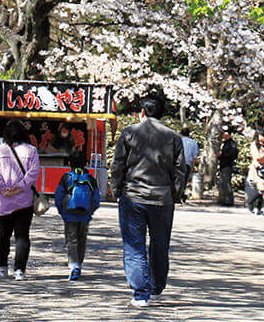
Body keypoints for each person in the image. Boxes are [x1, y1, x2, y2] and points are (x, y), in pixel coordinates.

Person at [110, 96, 185, 308]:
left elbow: (118, 165)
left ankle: (140, 293)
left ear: (142, 112)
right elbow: (180, 171)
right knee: (160, 245)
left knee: (134, 246)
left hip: (133, 196)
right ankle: (156, 287)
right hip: (162, 198)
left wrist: (116, 190)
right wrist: (175, 195)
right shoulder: (173, 137)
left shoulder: (130, 133)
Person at [0, 120, 40, 281]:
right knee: (22, 236)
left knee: (3, 235)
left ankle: (2, 267)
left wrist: (4, 189)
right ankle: (19, 270)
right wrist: (20, 187)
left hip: (2, 202)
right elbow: (34, 172)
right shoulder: (31, 150)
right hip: (24, 201)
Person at [53, 149, 102, 281]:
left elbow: (58, 196)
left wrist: (61, 210)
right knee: (82, 240)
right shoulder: (90, 179)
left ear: (69, 163)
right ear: (86, 163)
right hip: (85, 215)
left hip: (69, 215)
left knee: (71, 240)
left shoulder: (66, 177)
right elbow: (96, 198)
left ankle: (74, 266)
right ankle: (78, 264)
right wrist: (91, 210)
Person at [245, 132, 264, 215]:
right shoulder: (254, 145)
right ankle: (250, 203)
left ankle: (259, 208)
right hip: (257, 169)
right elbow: (257, 158)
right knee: (260, 188)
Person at [217, 130, 239, 206]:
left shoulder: (231, 144)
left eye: (225, 135)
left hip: (228, 165)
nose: (224, 136)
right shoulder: (225, 143)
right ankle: (223, 199)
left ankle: (229, 201)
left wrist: (221, 156)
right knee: (222, 182)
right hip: (223, 165)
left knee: (227, 183)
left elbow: (232, 154)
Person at [179, 128, 199, 202]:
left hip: (178, 163)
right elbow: (194, 156)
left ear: (181, 134)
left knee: (177, 179)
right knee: (184, 180)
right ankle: (181, 194)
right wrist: (193, 167)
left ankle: (176, 194)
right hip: (187, 163)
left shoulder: (179, 140)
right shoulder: (193, 142)